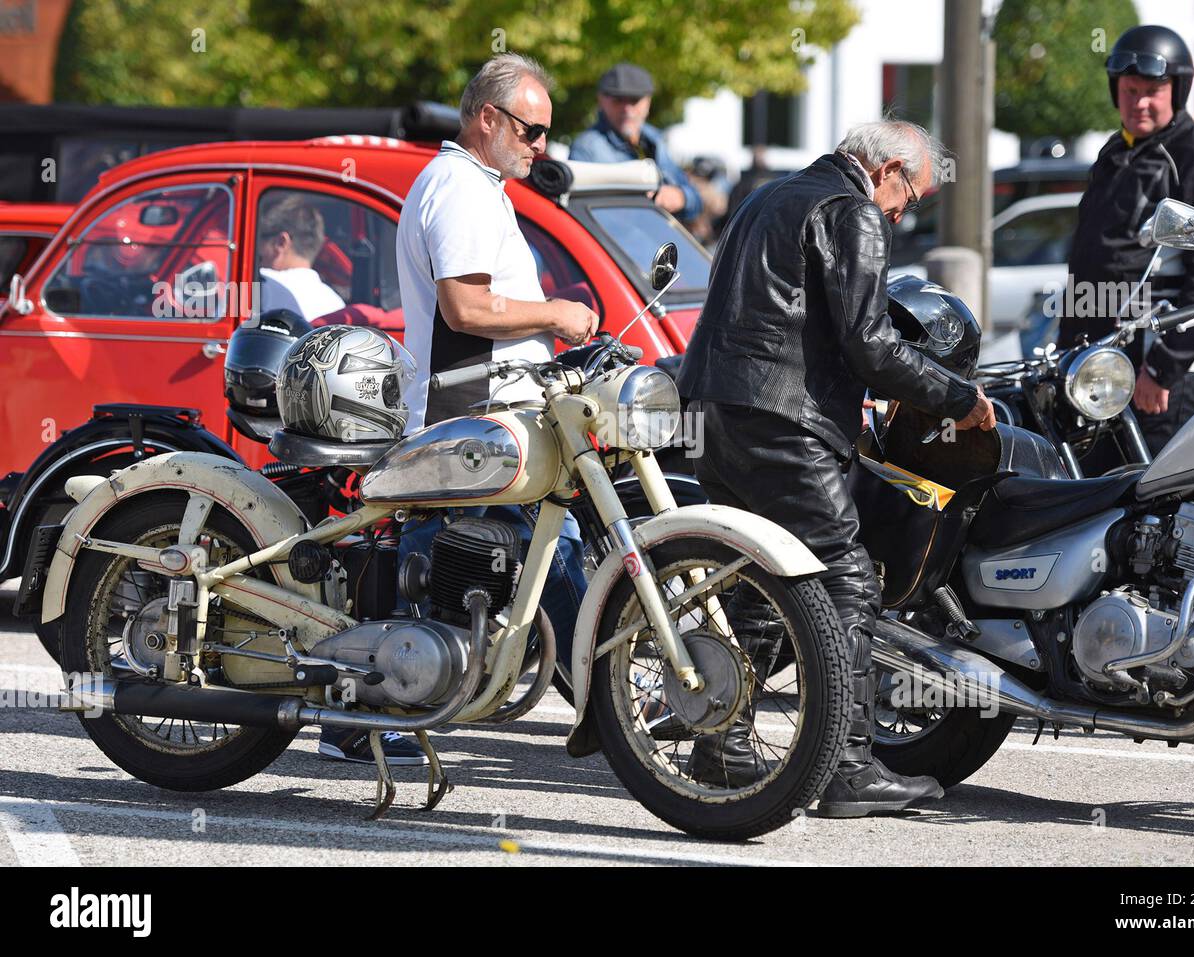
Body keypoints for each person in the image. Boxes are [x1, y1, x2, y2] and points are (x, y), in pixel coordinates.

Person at [677, 120, 996, 817]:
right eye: (908, 197)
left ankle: (719, 742)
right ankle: (847, 767)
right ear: (885, 171)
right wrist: (957, 396)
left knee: (760, 579)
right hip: (780, 420)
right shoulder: (851, 209)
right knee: (845, 575)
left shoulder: (770, 195)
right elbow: (872, 344)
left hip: (711, 410)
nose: (901, 212)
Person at [319, 53, 600, 765]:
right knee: (461, 560)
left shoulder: (480, 187)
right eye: (532, 131)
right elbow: (465, 305)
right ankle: (357, 713)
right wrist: (558, 313)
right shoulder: (460, 187)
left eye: (546, 135)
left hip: (490, 411)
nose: (542, 147)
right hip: (469, 410)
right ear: (487, 118)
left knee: (534, 553)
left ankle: (609, 704)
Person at [1063, 24, 1194, 457]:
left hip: (1158, 374)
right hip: (1104, 367)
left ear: (1176, 91)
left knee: (1151, 508)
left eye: (1152, 91)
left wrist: (1162, 370)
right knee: (1095, 500)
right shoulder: (1114, 153)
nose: (1139, 102)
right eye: (1129, 90)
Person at [568, 63, 701, 222]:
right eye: (618, 100)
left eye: (634, 100)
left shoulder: (655, 139)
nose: (627, 109)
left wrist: (680, 197)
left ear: (648, 102)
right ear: (601, 100)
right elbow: (579, 216)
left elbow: (696, 202)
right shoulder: (587, 148)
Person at [256, 195, 347, 320]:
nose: (256, 247)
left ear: (281, 243)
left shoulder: (261, 284)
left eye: (259, 238)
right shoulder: (336, 304)